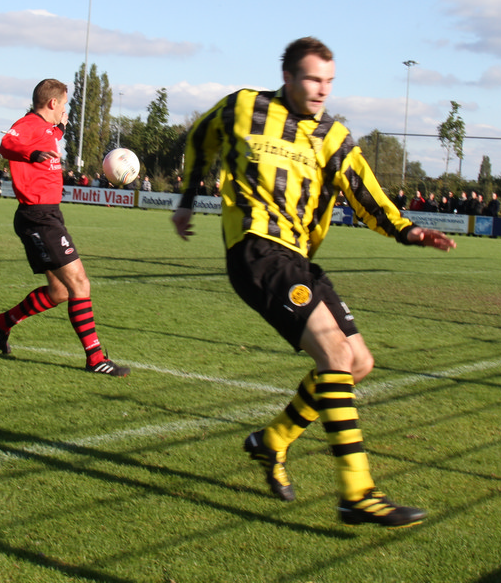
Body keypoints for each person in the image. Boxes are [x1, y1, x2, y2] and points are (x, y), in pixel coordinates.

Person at [171, 37, 455, 529]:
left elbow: (365, 191)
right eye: (312, 79)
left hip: (298, 261)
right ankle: (357, 493)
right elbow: (200, 138)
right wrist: (186, 201)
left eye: (329, 81)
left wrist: (408, 230)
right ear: (287, 77)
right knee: (336, 355)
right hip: (256, 251)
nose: (322, 89)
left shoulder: (332, 136)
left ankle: (273, 440)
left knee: (358, 362)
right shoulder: (244, 107)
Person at [0, 79, 130, 376]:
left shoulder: (47, 129)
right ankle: (95, 359)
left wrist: (61, 127)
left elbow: (49, 135)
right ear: (52, 103)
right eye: (63, 103)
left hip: (48, 215)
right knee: (80, 284)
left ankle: (1, 323)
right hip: (39, 217)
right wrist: (33, 154)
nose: (65, 108)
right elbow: (6, 144)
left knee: (60, 291)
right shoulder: (27, 124)